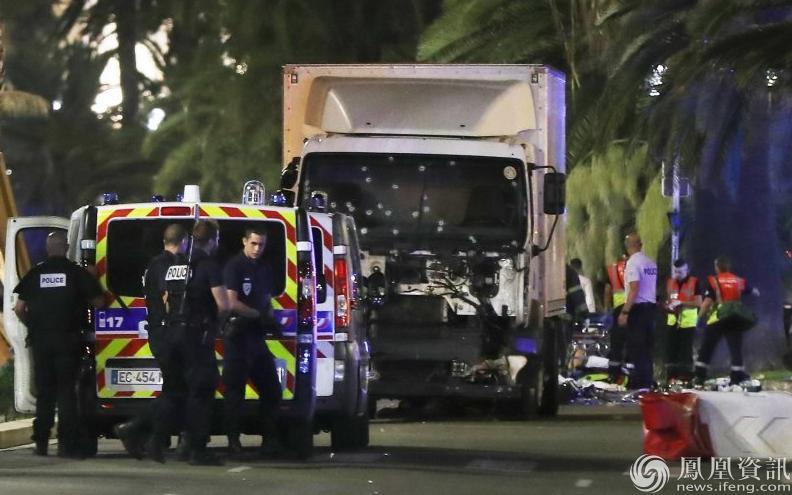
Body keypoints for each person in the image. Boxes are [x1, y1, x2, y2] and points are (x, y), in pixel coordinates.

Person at [13, 231, 105, 457]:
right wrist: (92, 279)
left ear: (47, 249)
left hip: (41, 342)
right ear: (66, 247)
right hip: (68, 341)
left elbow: (19, 308)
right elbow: (99, 302)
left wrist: (32, 325)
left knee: (45, 393)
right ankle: (66, 444)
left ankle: (41, 442)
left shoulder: (36, 273)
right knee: (66, 393)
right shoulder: (76, 273)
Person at [150, 220, 228, 465]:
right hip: (195, 335)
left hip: (172, 333)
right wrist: (216, 324)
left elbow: (166, 297)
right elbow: (223, 304)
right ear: (213, 240)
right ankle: (196, 449)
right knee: (202, 390)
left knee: (175, 391)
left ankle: (154, 440)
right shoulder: (209, 265)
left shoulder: (178, 265)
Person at [115, 224, 189, 460]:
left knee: (175, 390)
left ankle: (155, 438)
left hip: (159, 332)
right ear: (184, 241)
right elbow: (169, 297)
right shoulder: (169, 265)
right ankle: (134, 428)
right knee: (176, 391)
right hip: (168, 333)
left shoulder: (154, 264)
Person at [223, 227, 283, 457]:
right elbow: (231, 302)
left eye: (261, 244)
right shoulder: (235, 266)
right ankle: (233, 442)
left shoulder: (263, 268)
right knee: (234, 393)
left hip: (256, 337)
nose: (257, 249)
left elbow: (266, 298)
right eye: (254, 244)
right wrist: (257, 315)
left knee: (272, 390)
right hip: (238, 336)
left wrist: (270, 318)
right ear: (244, 241)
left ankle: (270, 441)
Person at [694, 256, 759, 386]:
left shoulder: (713, 281)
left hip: (718, 318)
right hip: (735, 317)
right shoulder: (738, 280)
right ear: (728, 267)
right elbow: (755, 291)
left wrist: (698, 317)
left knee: (707, 346)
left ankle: (700, 375)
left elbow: (707, 302)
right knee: (735, 347)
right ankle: (737, 376)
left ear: (717, 267)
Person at [616, 233, 658, 390]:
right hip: (650, 309)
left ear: (627, 247)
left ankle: (640, 384)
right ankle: (647, 382)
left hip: (638, 310)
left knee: (636, 348)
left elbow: (634, 288)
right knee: (647, 348)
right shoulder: (650, 263)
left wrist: (625, 312)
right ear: (640, 245)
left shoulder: (633, 263)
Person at [663, 259, 701, 383]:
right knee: (671, 350)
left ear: (686, 270)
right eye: (675, 272)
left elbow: (698, 302)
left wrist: (682, 303)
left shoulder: (694, 282)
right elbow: (668, 300)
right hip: (672, 321)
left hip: (687, 322)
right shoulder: (670, 282)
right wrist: (667, 306)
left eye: (680, 272)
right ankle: (671, 377)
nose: (677, 274)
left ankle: (685, 378)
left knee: (685, 351)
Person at [604, 254, 629, 383]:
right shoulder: (636, 268)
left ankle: (614, 375)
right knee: (630, 344)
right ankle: (630, 375)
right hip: (631, 311)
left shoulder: (612, 270)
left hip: (617, 311)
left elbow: (607, 290)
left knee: (616, 345)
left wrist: (607, 309)